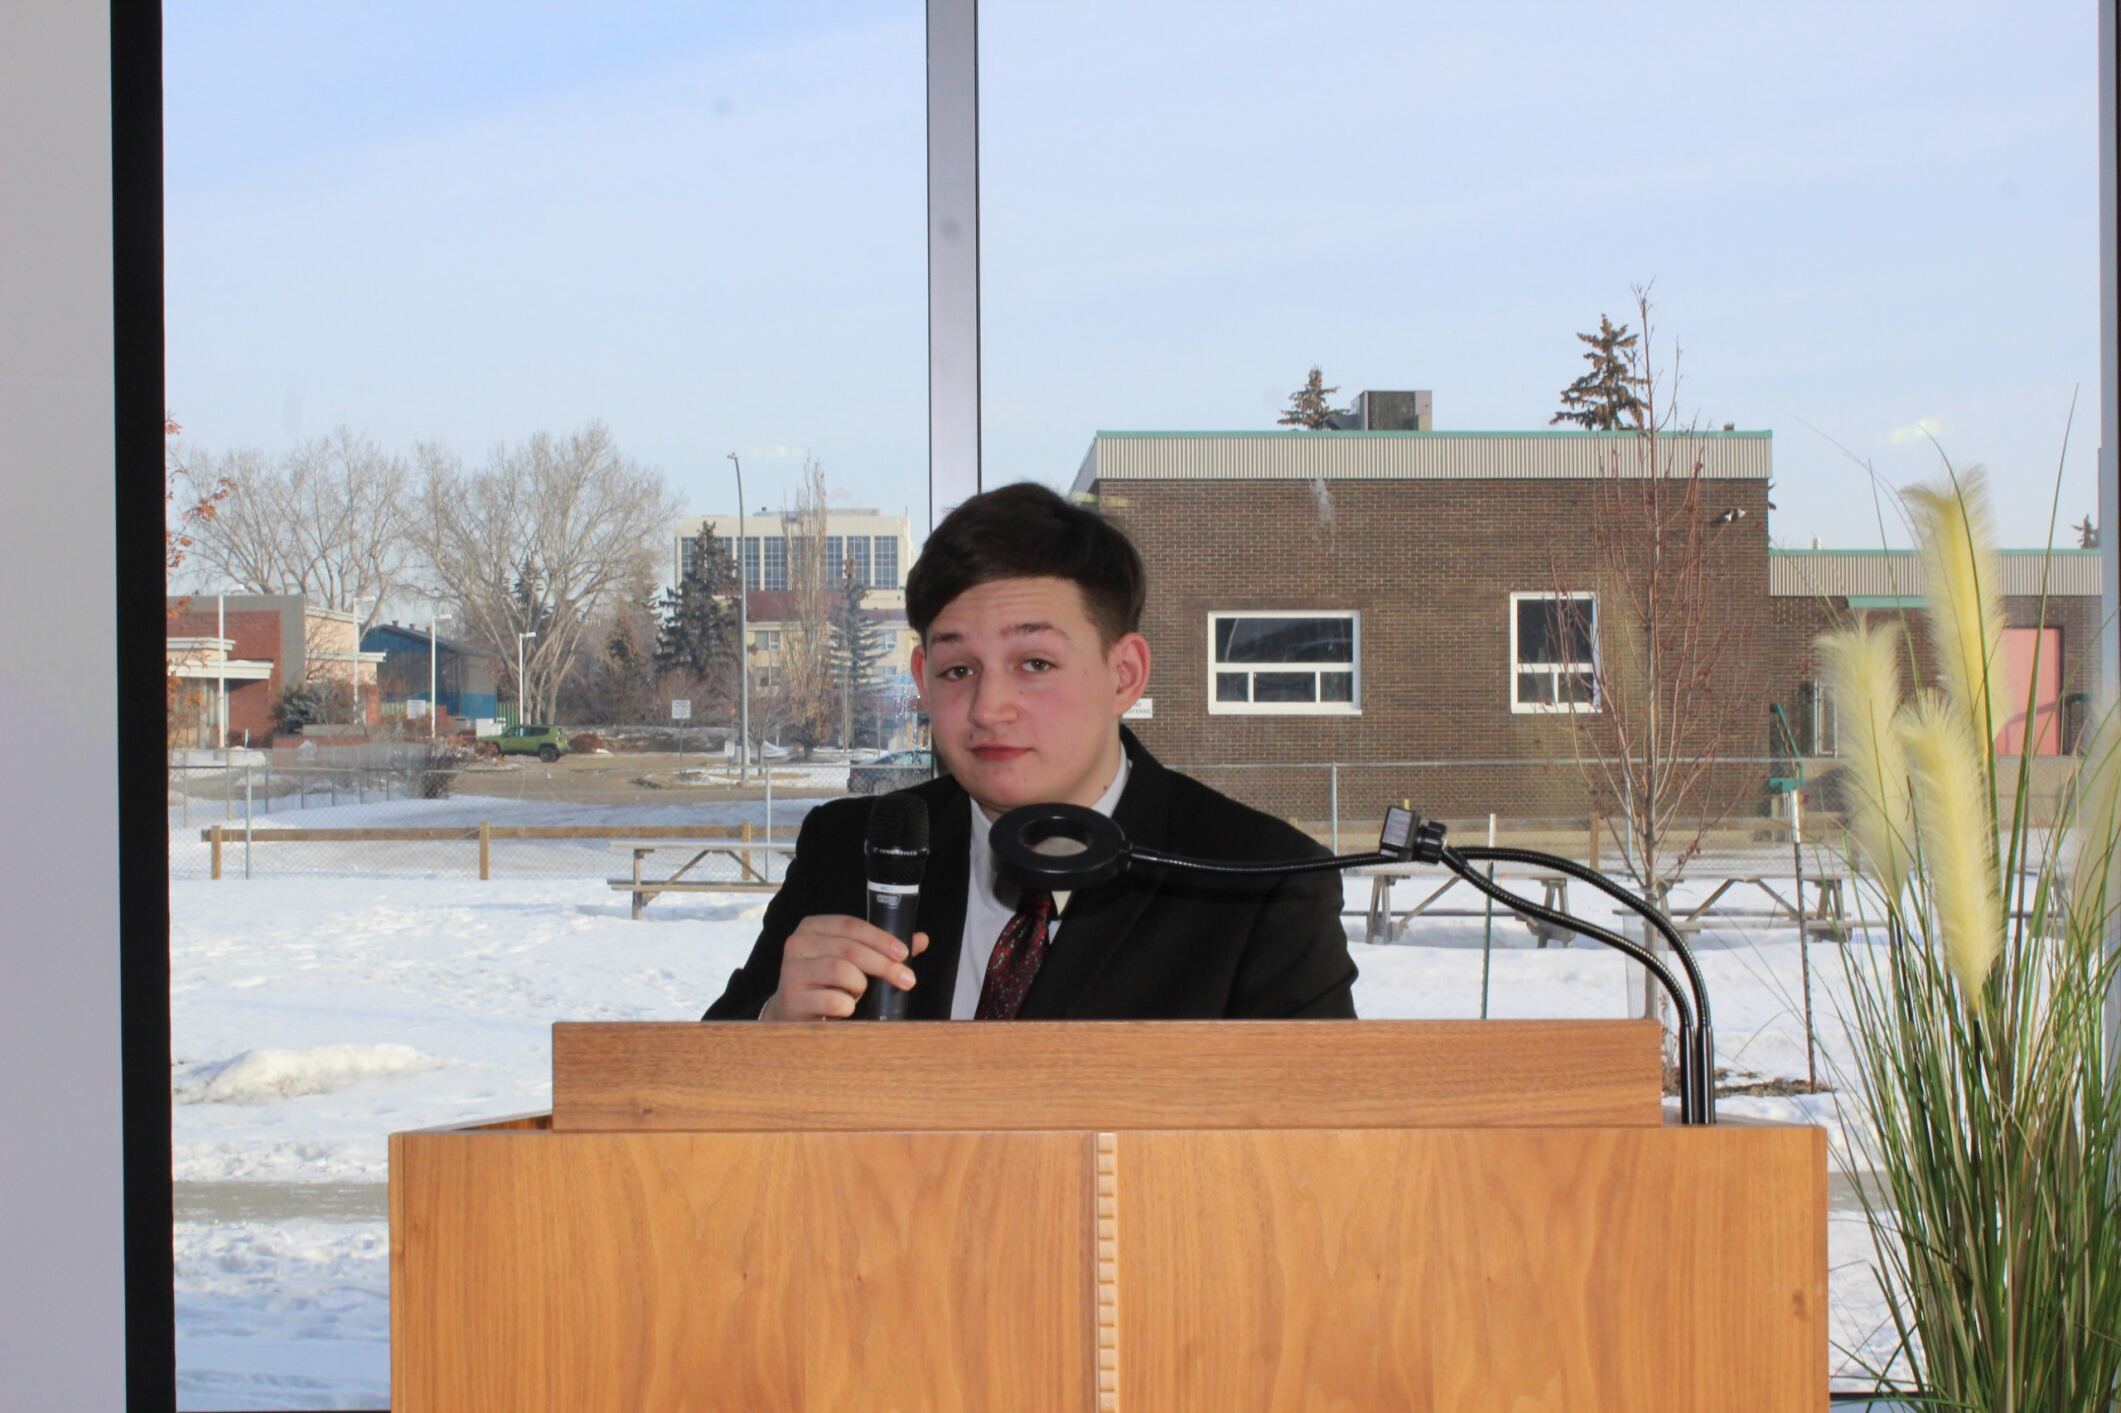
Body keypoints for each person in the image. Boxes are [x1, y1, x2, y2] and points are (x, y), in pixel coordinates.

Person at [701, 482, 1357, 1021]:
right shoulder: (849, 847)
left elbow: (1311, 1164)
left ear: (1123, 674)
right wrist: (772, 1027)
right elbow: (689, 1102)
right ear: (921, 677)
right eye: (958, 670)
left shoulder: (1263, 883)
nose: (988, 708)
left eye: (1035, 662)